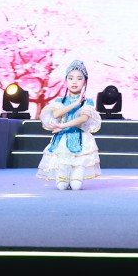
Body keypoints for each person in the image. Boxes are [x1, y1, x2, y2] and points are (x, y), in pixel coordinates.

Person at [37, 60, 102, 190]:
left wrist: (63, 126)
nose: (74, 82)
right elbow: (55, 114)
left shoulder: (88, 102)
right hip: (62, 141)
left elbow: (83, 118)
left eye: (79, 78)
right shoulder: (60, 101)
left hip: (81, 141)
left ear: (85, 82)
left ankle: (75, 177)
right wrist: (75, 104)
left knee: (76, 186)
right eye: (71, 78)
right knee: (61, 186)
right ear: (66, 81)